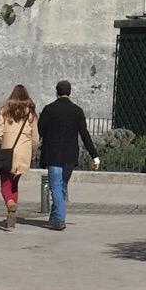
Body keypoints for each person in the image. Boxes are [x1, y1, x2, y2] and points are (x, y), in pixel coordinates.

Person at [37, 80, 101, 231]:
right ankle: (55, 216)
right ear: (70, 92)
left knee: (56, 187)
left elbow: (39, 131)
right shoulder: (77, 111)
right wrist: (94, 155)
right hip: (70, 156)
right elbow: (85, 134)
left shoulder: (49, 109)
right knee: (62, 186)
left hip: (53, 154)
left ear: (57, 92)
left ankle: (59, 219)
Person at [0, 86, 39, 231]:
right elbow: (35, 137)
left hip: (7, 152)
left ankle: (10, 205)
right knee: (14, 184)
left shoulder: (5, 110)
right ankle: (12, 214)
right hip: (23, 153)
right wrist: (33, 150)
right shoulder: (30, 113)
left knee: (5, 184)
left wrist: (0, 142)